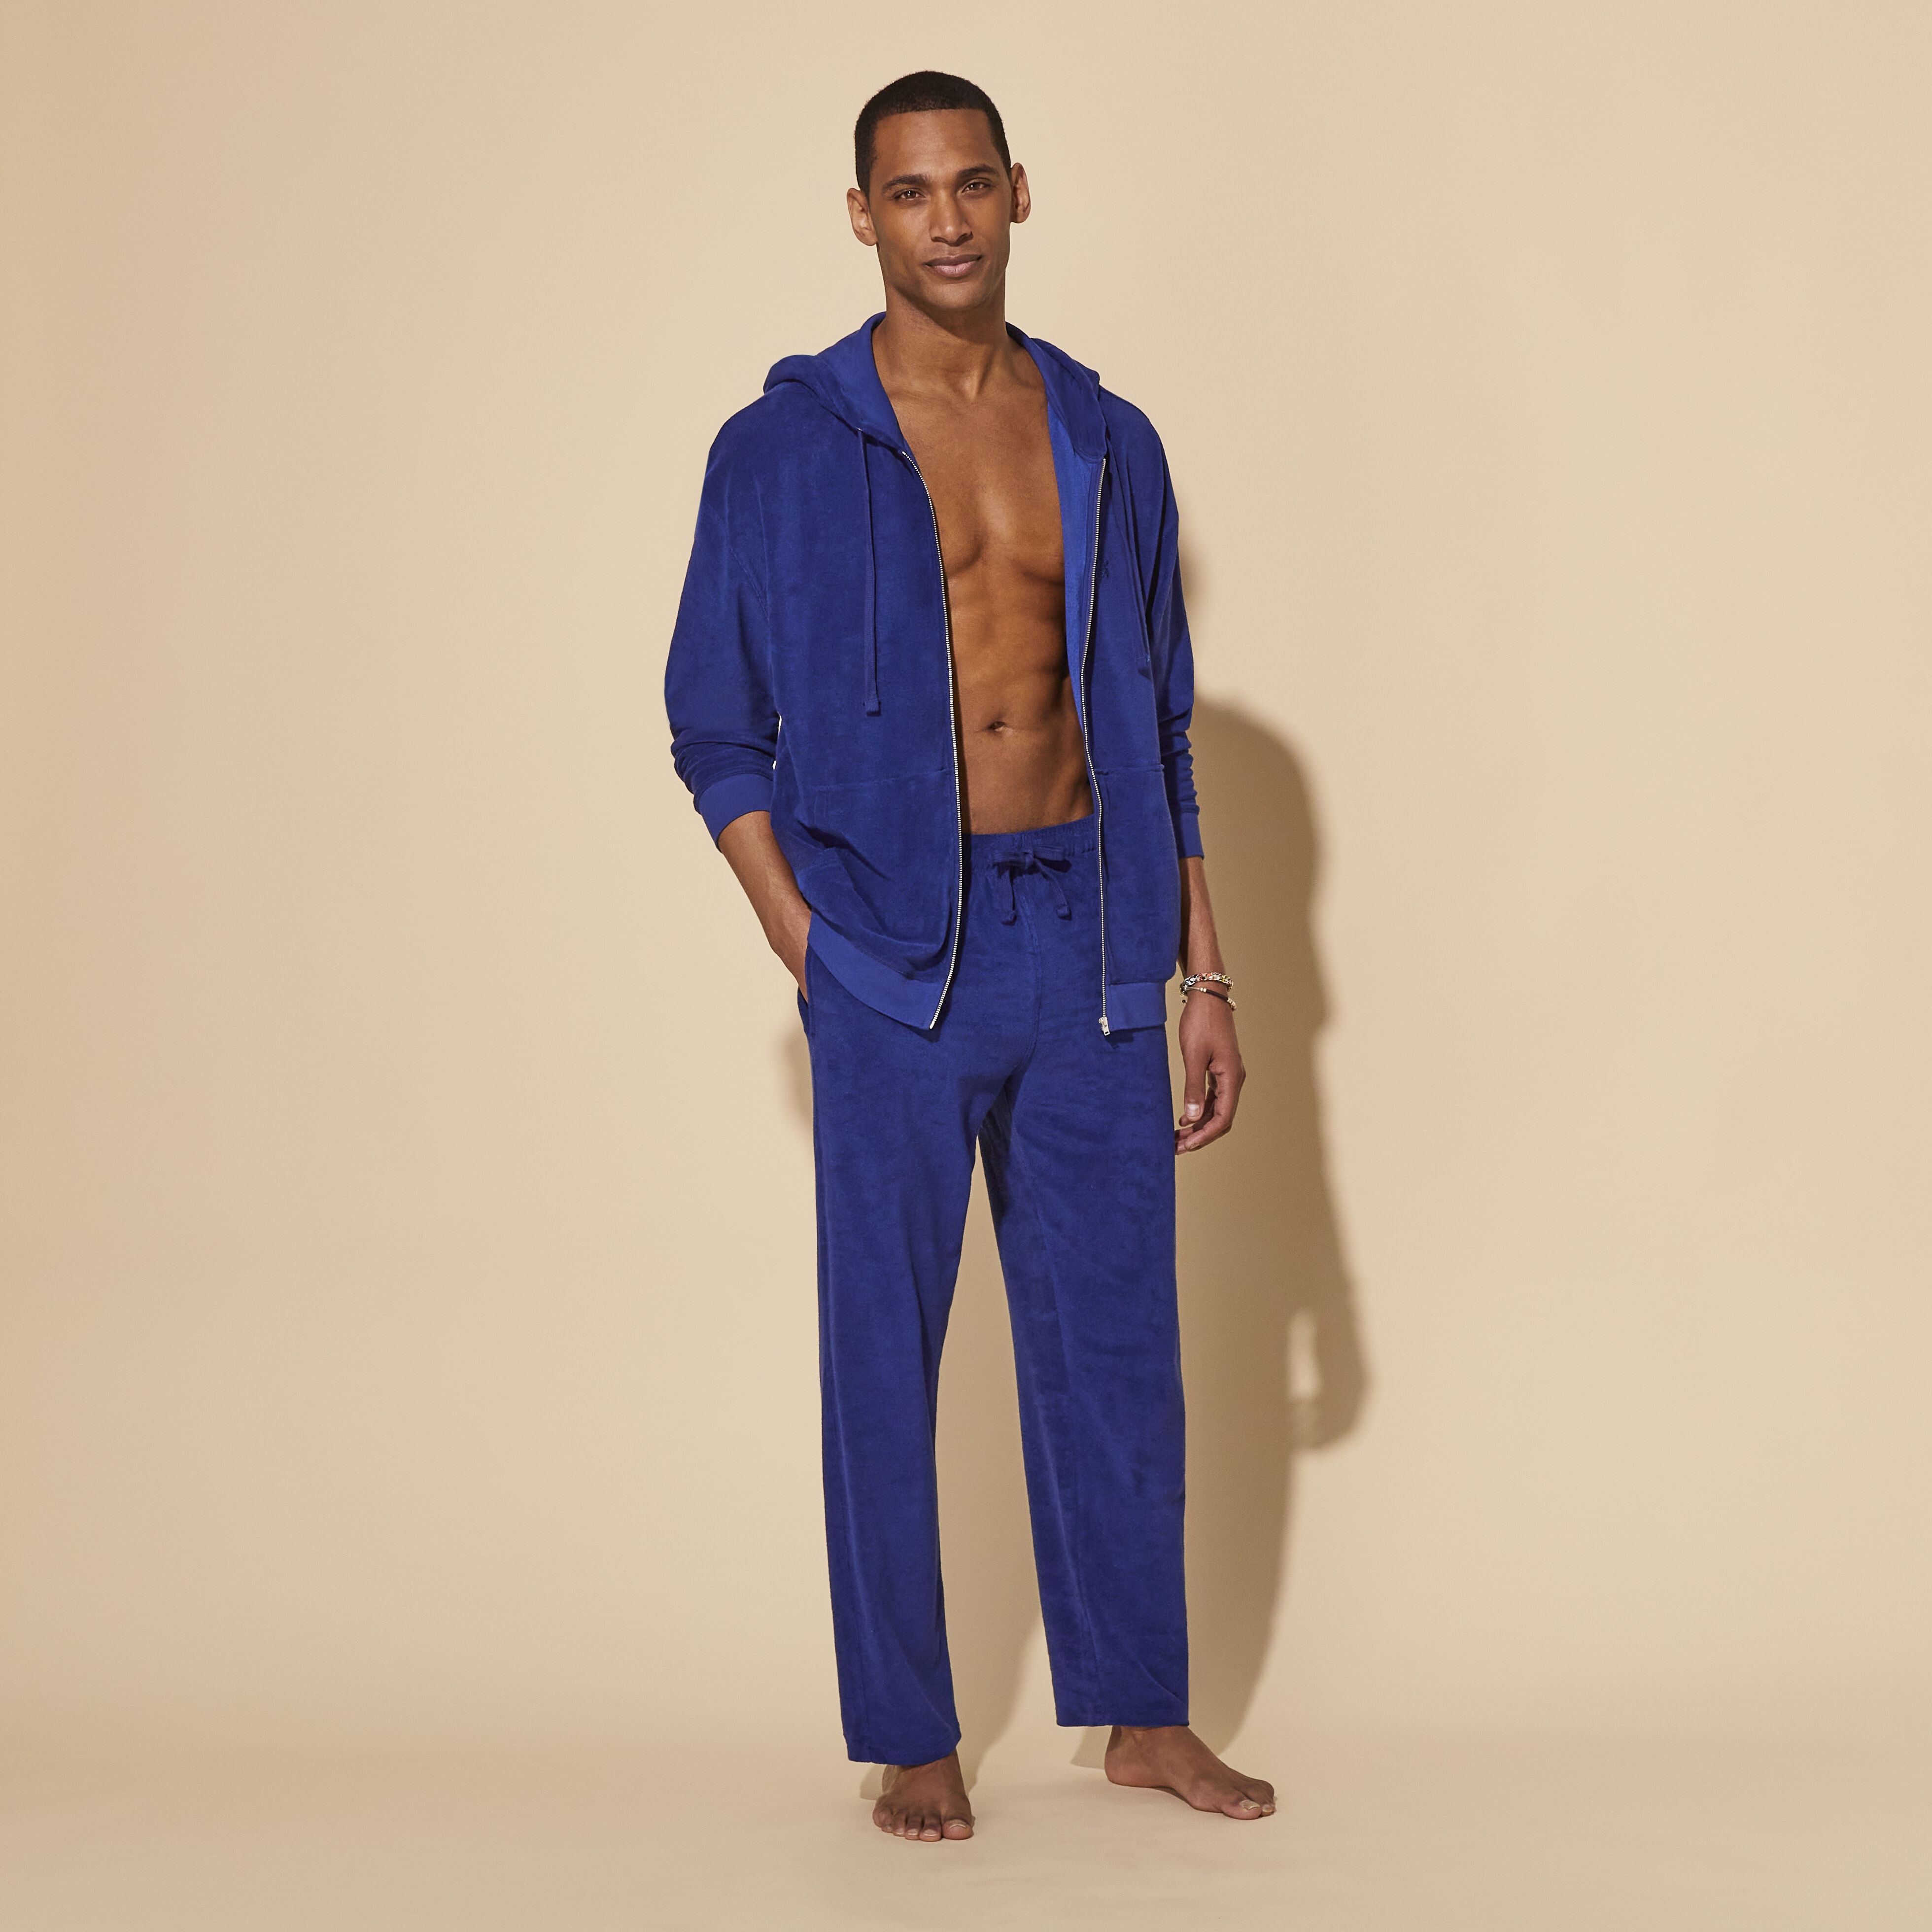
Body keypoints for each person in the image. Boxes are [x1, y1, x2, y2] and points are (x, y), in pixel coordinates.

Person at [665, 70, 1272, 1841]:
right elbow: (716, 728)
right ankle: (910, 1732)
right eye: (910, 191)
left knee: (1116, 1349)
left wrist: (1201, 973)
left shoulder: (1107, 437)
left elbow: (1161, 727)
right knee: (885, 1352)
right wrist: (803, 940)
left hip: (1092, 942)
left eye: (973, 185)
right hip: (892, 959)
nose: (947, 220)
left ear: (1019, 192)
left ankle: (1143, 1716)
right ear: (862, 216)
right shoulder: (780, 449)